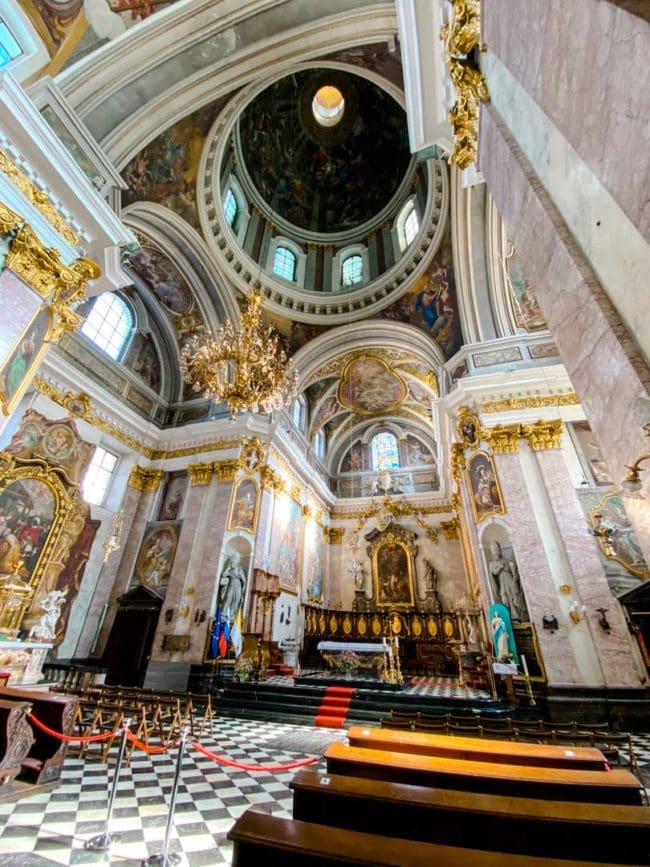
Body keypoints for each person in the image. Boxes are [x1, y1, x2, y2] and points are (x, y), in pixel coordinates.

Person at [488, 541, 528, 621]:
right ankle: (511, 617)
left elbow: (514, 571)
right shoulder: (492, 563)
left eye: (497, 548)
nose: (496, 550)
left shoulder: (507, 561)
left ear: (500, 549)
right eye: (494, 549)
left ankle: (520, 617)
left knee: (515, 597)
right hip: (503, 584)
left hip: (511, 582)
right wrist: (500, 567)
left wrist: (514, 574)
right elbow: (494, 572)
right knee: (505, 599)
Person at [218, 551, 247, 622]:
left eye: (236, 559)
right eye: (233, 559)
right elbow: (223, 575)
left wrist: (243, 588)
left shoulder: (239, 569)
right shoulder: (229, 570)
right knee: (228, 598)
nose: (234, 561)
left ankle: (232, 615)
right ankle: (223, 614)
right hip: (231, 585)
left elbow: (243, 580)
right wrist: (228, 568)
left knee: (236, 599)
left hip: (238, 585)